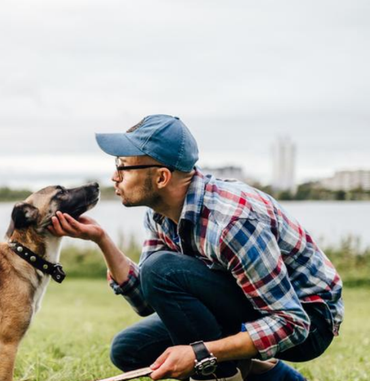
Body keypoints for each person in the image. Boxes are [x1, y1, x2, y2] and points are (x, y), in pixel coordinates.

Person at [48, 114, 344, 381]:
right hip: (253, 305)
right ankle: (259, 372)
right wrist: (101, 239)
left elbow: (292, 323)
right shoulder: (160, 213)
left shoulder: (232, 222)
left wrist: (200, 353)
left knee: (161, 269)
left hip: (310, 320)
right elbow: (146, 299)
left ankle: (222, 375)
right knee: (130, 350)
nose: (114, 176)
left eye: (122, 166)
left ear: (162, 177)